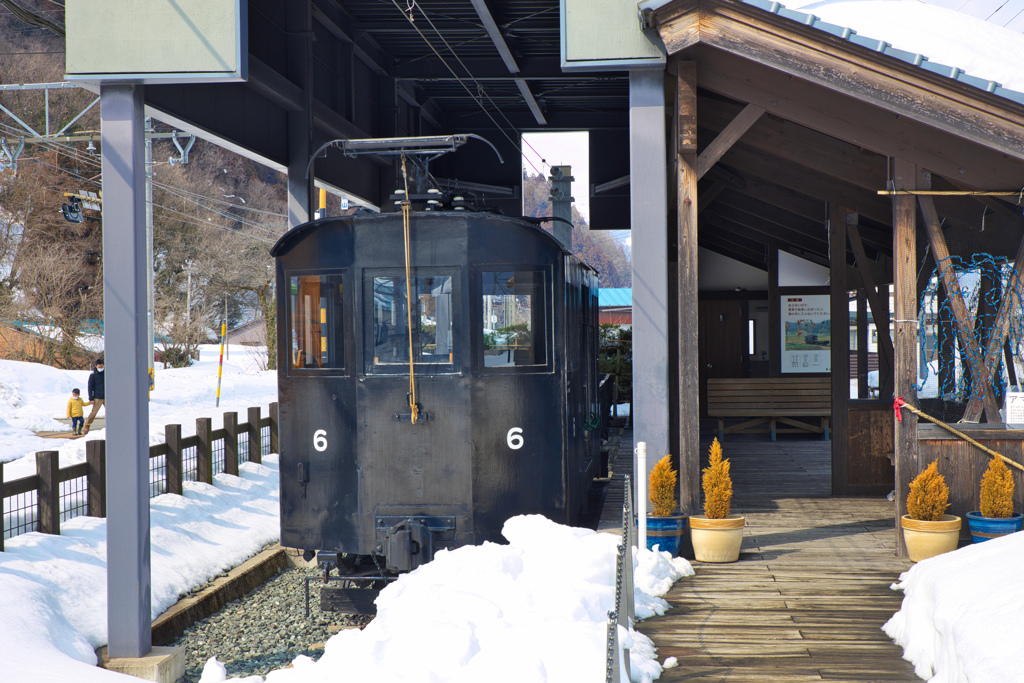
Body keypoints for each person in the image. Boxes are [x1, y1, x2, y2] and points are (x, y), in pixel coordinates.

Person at [84, 357, 105, 434]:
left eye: (102, 366)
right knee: (93, 413)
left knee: (111, 412)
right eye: (99, 367)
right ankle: (87, 425)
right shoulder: (93, 375)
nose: (100, 368)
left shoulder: (106, 374)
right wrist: (91, 398)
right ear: (96, 366)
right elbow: (90, 387)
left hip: (107, 397)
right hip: (97, 397)